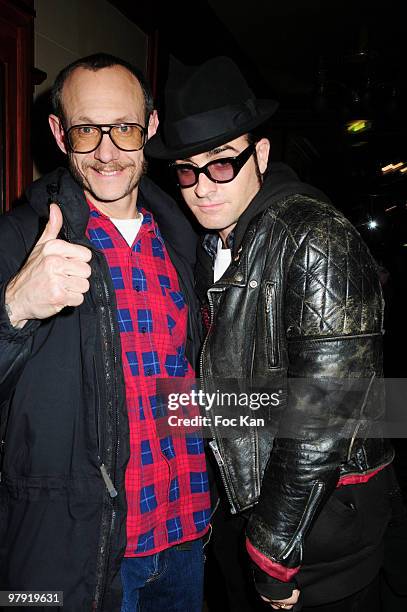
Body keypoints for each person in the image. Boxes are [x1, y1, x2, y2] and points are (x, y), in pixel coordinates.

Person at [145, 56, 395, 611]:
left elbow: (329, 410)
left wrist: (271, 552)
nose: (202, 187)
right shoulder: (219, 241)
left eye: (221, 164)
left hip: (316, 535)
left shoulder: (313, 237)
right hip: (248, 509)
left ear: (259, 154)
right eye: (186, 169)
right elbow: (252, 392)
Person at [0, 53, 211, 612]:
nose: (108, 151)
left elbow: (185, 393)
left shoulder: (185, 239)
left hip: (187, 533)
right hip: (67, 555)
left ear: (152, 127)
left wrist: (342, 415)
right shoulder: (18, 239)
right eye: (87, 130)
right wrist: (13, 310)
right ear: (58, 132)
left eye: (124, 128)